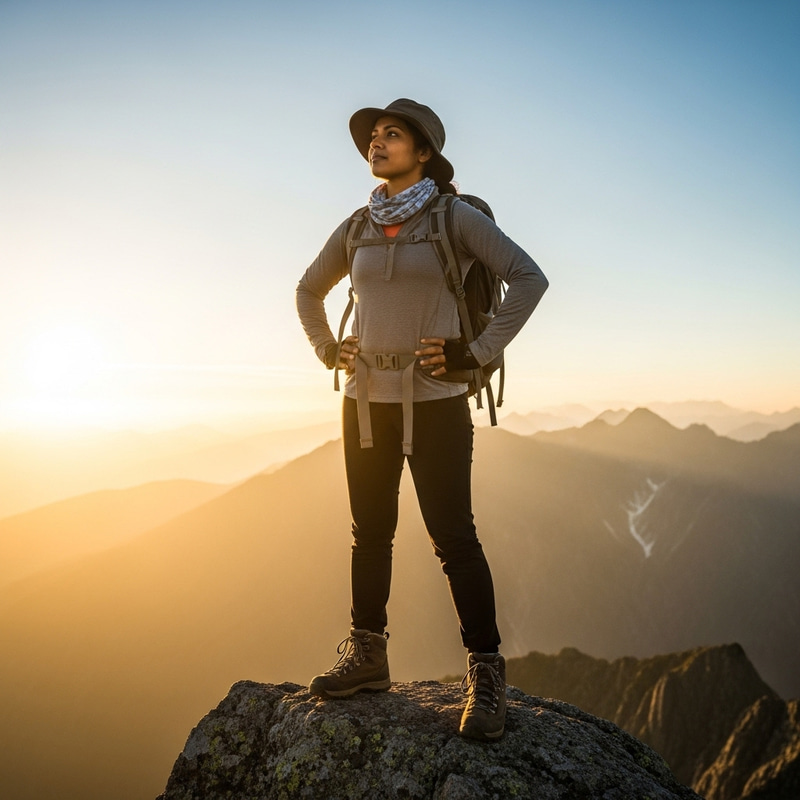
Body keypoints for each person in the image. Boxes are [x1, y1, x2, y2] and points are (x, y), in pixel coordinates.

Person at [296, 98, 548, 740]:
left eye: (392, 135)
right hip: (363, 403)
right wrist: (329, 349)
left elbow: (528, 278)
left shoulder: (452, 217)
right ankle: (368, 656)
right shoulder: (357, 225)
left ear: (424, 152)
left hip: (435, 405)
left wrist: (476, 351)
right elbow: (307, 289)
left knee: (454, 540)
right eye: (373, 136)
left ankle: (486, 673)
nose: (377, 144)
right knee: (369, 532)